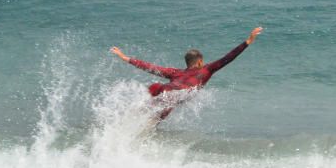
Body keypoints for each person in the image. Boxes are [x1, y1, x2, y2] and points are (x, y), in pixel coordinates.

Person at [110, 27, 263, 119]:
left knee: (154, 106)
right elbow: (227, 58)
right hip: (181, 92)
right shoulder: (207, 69)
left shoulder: (175, 72)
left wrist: (125, 57)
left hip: (165, 88)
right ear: (200, 61)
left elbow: (150, 67)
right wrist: (248, 41)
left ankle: (129, 117)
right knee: (162, 112)